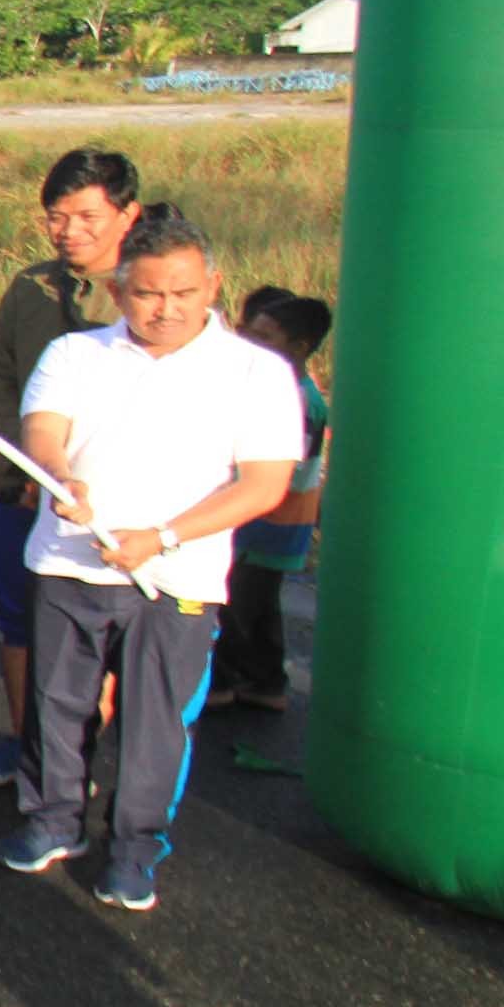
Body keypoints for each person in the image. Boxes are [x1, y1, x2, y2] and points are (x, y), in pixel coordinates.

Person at [0, 212, 301, 911]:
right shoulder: (76, 354)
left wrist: (160, 537)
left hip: (177, 578)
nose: (165, 309)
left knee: (155, 721)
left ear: (214, 286)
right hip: (68, 564)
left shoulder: (257, 372)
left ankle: (135, 847)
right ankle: (51, 821)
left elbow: (263, 485)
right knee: (56, 704)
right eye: (147, 294)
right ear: (118, 288)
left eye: (184, 293)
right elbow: (43, 429)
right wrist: (57, 475)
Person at [0, 149, 140, 791]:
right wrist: (19, 460)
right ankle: (24, 746)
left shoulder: (151, 297)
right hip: (23, 489)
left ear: (128, 214)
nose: (69, 232)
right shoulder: (32, 288)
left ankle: (75, 761)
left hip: (113, 509)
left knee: (101, 635)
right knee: (18, 621)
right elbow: (1, 372)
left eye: (87, 216)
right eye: (56, 218)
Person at [213, 294, 332, 712]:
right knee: (259, 604)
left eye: (263, 336)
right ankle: (264, 681)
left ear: (299, 347)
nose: (250, 341)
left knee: (234, 604)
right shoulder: (286, 388)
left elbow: (285, 470)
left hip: (270, 519)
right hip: (274, 519)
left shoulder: (297, 400)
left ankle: (221, 683)